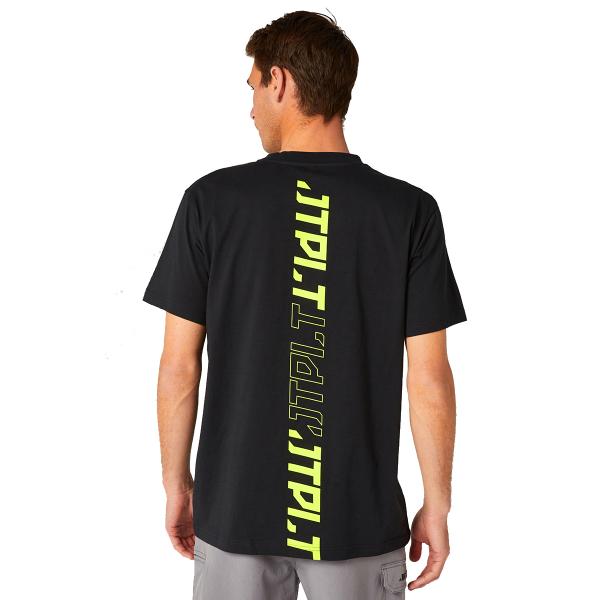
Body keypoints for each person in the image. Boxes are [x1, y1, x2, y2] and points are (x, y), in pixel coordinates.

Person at [142, 10, 467, 600]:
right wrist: (437, 504)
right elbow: (428, 376)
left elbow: (179, 366)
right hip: (357, 519)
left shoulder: (211, 202)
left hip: (235, 512)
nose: (250, 108)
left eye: (253, 87)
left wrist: (177, 485)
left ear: (280, 81)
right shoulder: (408, 211)